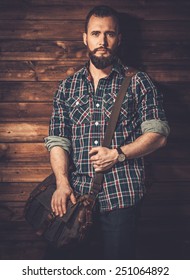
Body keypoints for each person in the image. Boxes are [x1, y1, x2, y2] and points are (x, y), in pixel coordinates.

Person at [45, 5, 170, 260]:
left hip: (122, 197)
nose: (102, 41)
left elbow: (158, 133)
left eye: (109, 34)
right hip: (76, 198)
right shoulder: (67, 88)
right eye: (95, 33)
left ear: (119, 38)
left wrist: (118, 154)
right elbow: (58, 140)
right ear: (85, 37)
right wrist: (61, 183)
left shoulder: (138, 82)